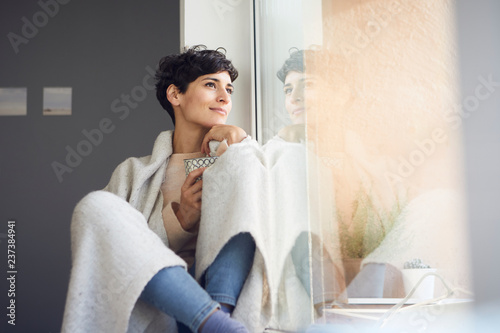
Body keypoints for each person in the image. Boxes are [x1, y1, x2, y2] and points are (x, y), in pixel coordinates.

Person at [62, 46, 255, 333]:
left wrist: (242, 142)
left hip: (227, 300)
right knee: (94, 205)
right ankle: (213, 323)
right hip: (164, 314)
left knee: (249, 166)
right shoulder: (131, 173)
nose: (224, 97)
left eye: (229, 88)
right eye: (211, 84)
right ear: (175, 94)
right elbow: (110, 256)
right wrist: (180, 222)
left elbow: (270, 217)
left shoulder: (240, 154)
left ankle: (219, 317)